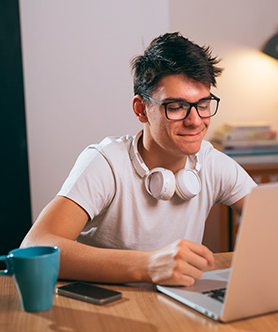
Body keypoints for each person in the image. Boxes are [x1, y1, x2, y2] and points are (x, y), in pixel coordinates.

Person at [21, 32, 257, 286]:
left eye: (203, 104)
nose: (195, 121)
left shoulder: (211, 162)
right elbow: (35, 246)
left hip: (179, 306)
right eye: (176, 106)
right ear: (141, 109)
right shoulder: (106, 162)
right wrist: (147, 265)